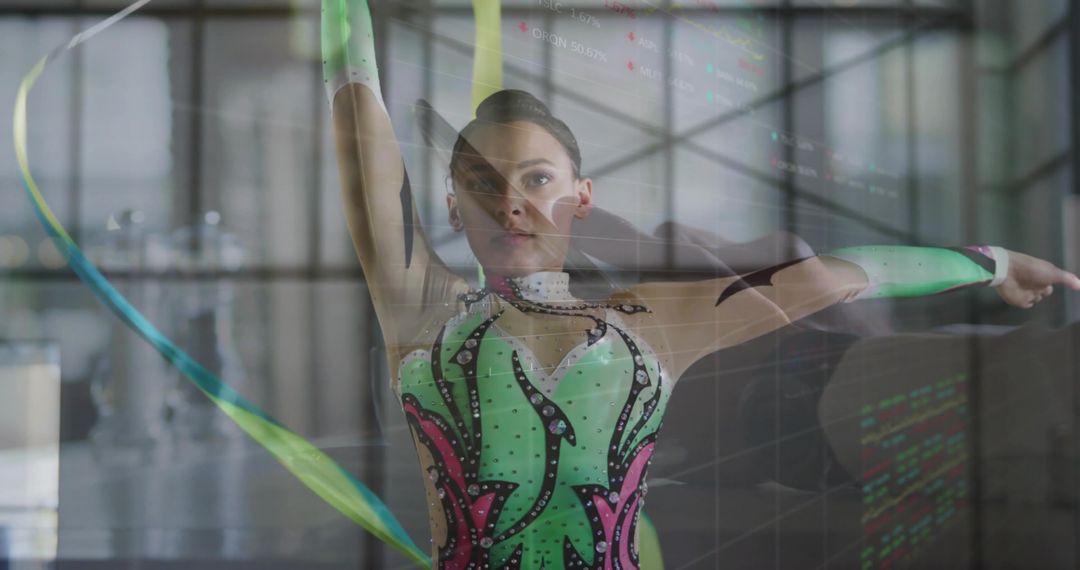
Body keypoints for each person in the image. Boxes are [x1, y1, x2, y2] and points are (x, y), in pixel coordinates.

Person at [321, 1, 1080, 567]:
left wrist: (991, 262)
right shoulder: (425, 312)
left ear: (581, 195)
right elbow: (360, 134)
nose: (510, 202)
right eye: (481, 183)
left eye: (538, 179)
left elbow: (836, 278)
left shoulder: (648, 321)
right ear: (450, 204)